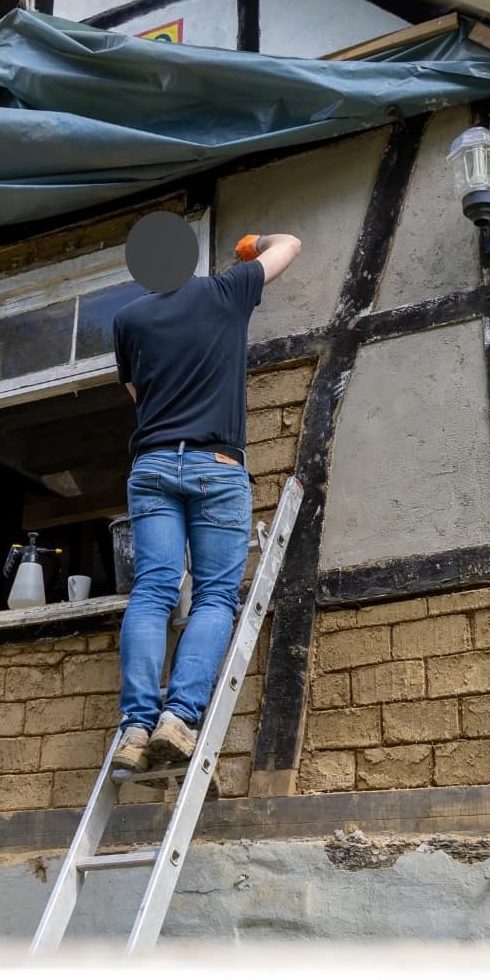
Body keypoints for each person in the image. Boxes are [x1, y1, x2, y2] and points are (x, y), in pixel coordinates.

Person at [109, 212, 301, 772]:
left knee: (153, 591)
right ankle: (178, 719)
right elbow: (290, 241)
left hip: (151, 466)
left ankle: (135, 727)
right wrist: (251, 244)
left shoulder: (127, 319)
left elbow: (136, 393)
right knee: (215, 596)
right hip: (215, 466)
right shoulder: (227, 290)